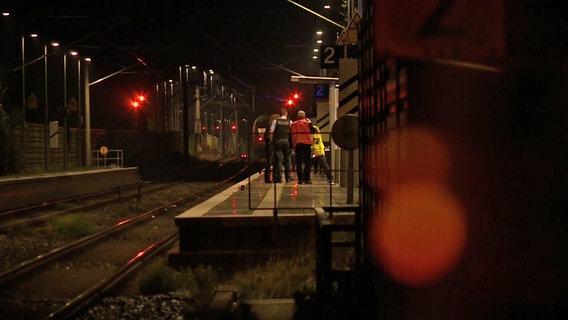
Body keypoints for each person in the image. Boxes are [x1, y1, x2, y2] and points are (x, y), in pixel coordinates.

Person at [290, 110, 315, 184]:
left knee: (299, 162)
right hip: (307, 144)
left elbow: (292, 135)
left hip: (298, 144)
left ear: (297, 116)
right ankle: (307, 179)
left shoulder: (294, 124)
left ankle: (300, 180)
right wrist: (310, 122)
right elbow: (313, 131)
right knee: (307, 162)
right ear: (304, 116)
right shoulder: (307, 123)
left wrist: (293, 145)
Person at [269, 107, 293, 183]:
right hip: (286, 141)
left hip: (278, 141)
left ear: (281, 113)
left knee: (279, 159)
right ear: (286, 113)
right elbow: (292, 133)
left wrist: (272, 141)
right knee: (287, 160)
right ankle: (288, 178)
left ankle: (279, 178)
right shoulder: (290, 122)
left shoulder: (276, 121)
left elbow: (271, 132)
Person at [263, 113, 280, 183]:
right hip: (271, 145)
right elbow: (269, 136)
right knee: (271, 162)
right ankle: (271, 178)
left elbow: (265, 136)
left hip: (269, 145)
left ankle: (268, 178)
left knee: (270, 162)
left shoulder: (268, 126)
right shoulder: (272, 127)